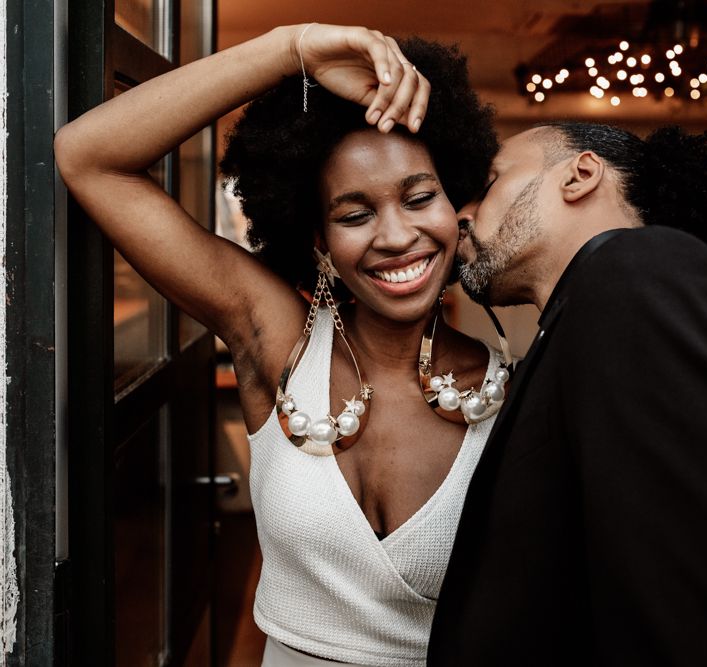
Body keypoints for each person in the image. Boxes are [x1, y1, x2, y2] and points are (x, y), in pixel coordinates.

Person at [55, 24, 507, 666]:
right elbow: (89, 156)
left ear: (455, 204)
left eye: (419, 197)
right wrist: (292, 49)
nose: (397, 235)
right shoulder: (280, 341)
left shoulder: (512, 391)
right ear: (318, 241)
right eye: (354, 215)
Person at [428, 122, 707, 666]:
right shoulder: (582, 316)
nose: (461, 215)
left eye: (491, 182)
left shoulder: (641, 269)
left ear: (581, 175)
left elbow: (689, 588)